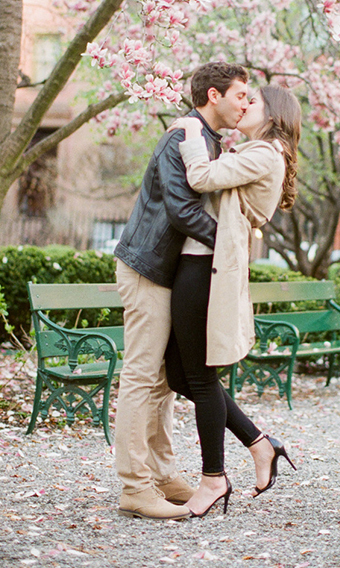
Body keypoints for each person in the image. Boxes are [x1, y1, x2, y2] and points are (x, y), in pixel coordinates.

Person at [113, 62, 250, 521]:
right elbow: (179, 208)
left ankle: (164, 475)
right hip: (147, 266)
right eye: (239, 96)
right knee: (140, 377)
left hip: (167, 271)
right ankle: (135, 486)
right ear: (214, 95)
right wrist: (229, 243)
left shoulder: (203, 139)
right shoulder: (183, 136)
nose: (244, 105)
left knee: (161, 383)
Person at [164, 84, 302, 518]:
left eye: (252, 101)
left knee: (199, 378)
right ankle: (261, 444)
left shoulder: (264, 154)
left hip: (208, 268)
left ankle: (213, 479)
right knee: (179, 375)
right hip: (202, 263)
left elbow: (201, 178)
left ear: (273, 113)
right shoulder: (258, 151)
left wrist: (189, 132)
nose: (243, 105)